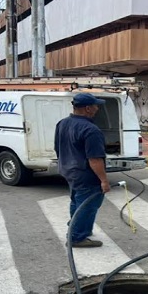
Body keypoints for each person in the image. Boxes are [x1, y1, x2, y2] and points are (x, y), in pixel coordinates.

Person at [54, 93, 112, 248]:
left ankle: (76, 227)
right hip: (86, 175)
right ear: (88, 108)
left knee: (76, 201)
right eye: (95, 105)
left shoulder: (62, 123)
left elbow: (57, 148)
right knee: (88, 205)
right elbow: (95, 159)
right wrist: (104, 181)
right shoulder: (91, 130)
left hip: (69, 171)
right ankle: (77, 237)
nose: (97, 108)